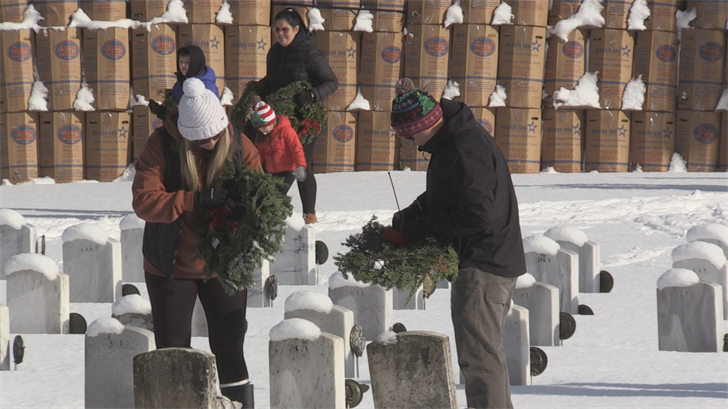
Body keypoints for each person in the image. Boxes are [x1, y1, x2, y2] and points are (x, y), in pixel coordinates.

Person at [387, 78, 527, 409]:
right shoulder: (454, 142)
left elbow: (478, 215)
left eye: (409, 134)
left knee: (479, 360)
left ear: (424, 124)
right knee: (484, 355)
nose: (409, 142)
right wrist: (415, 211)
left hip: (484, 264)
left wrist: (421, 229)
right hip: (489, 260)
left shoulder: (464, 148)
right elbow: (453, 191)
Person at [132, 78, 260, 407]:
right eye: (203, 139)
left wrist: (245, 211)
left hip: (224, 263)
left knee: (230, 350)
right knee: (174, 353)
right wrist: (194, 200)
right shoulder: (161, 145)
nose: (211, 142)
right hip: (171, 265)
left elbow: (263, 192)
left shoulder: (237, 144)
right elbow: (144, 201)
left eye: (216, 136)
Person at [258, 7, 339, 224]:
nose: (280, 34)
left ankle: (297, 213)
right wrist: (259, 90)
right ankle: (284, 212)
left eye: (285, 29)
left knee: (296, 163)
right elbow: (273, 80)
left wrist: (312, 95)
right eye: (276, 30)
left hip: (307, 119)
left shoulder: (308, 52)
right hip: (280, 119)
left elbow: (332, 82)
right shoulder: (274, 53)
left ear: (296, 29)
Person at [250, 99, 307, 195]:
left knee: (279, 195)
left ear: (272, 121)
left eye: (264, 127)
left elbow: (296, 148)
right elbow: (260, 154)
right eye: (259, 129)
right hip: (272, 171)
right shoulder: (263, 136)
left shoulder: (286, 131)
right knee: (270, 195)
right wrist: (257, 169)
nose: (262, 130)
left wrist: (300, 165)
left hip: (288, 170)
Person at [148, 45, 219, 119]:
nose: (183, 65)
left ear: (195, 63)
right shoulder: (179, 84)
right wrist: (161, 111)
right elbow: (173, 112)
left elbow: (210, 118)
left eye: (187, 62)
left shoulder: (207, 87)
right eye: (181, 62)